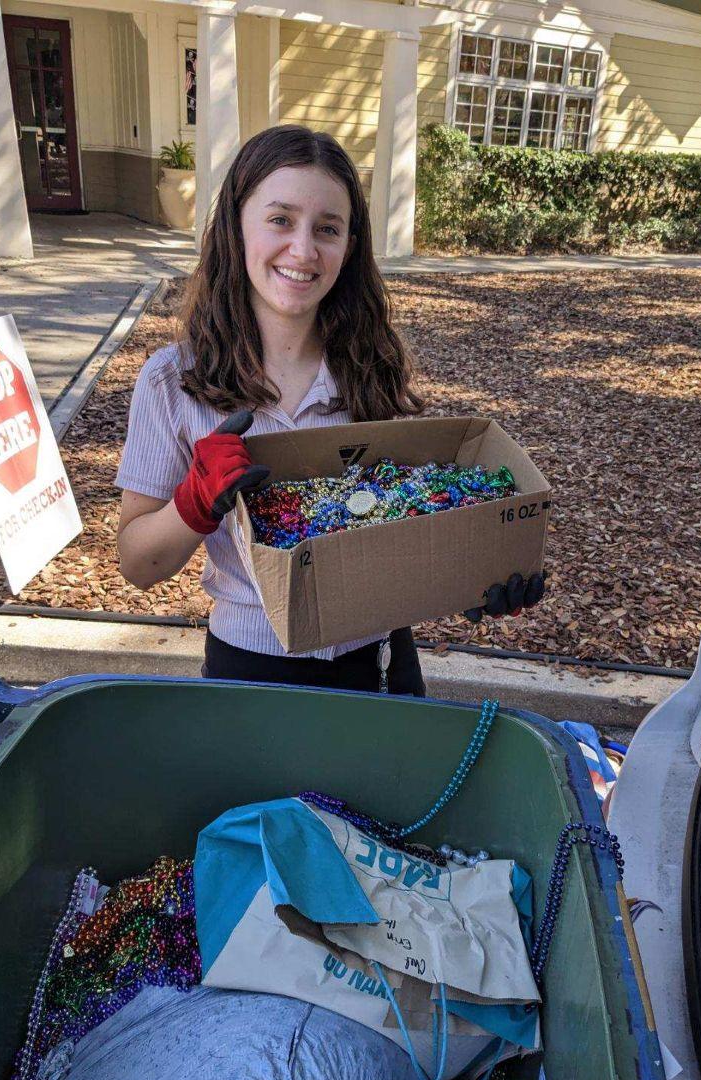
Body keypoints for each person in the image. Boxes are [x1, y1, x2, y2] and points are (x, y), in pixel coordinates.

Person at [116, 125, 542, 694]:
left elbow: (391, 524)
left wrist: (468, 576)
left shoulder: (372, 365)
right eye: (280, 219)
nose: (303, 250)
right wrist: (193, 502)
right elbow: (138, 566)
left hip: (380, 663)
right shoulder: (172, 381)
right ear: (235, 226)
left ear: (349, 246)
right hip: (251, 672)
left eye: (327, 228)